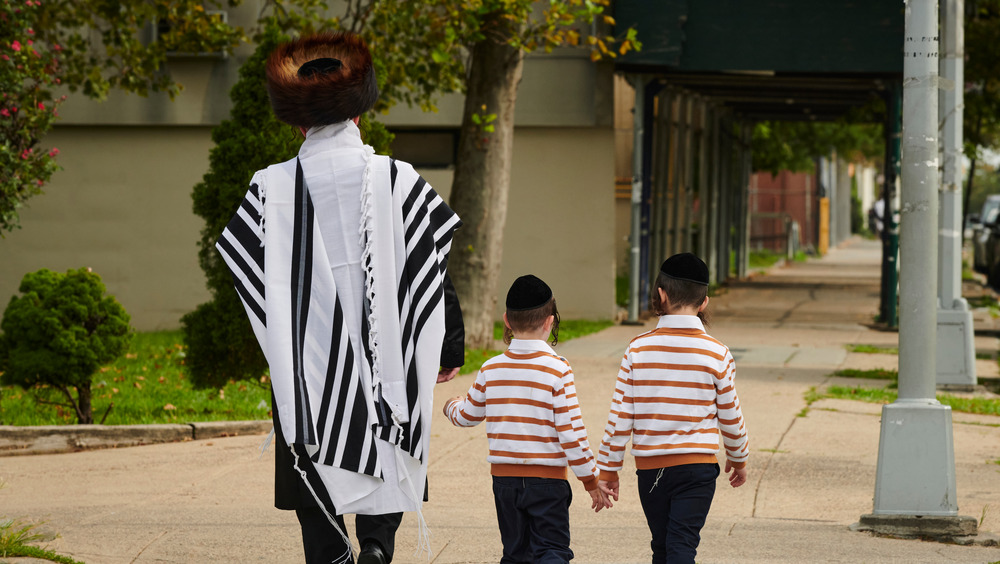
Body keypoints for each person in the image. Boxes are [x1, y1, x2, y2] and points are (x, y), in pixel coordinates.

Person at [216, 32, 464, 564]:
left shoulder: (269, 186)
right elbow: (432, 267)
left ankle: (330, 552)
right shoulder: (397, 178)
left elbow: (249, 277)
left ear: (299, 122)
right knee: (388, 428)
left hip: (309, 352)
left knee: (312, 430)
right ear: (358, 115)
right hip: (390, 344)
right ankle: (377, 542)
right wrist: (451, 343)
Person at [442, 275, 609, 564]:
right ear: (549, 322)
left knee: (515, 552)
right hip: (547, 481)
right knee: (552, 551)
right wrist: (591, 480)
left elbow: (468, 415)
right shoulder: (558, 370)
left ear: (506, 320)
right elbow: (571, 433)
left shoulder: (491, 368)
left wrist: (450, 406)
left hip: (504, 482)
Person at [596, 253, 748, 564]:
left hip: (651, 470)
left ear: (661, 295)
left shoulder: (637, 349)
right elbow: (731, 415)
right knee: (682, 546)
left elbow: (620, 417)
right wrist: (739, 456)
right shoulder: (718, 353)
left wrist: (609, 468)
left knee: (663, 546)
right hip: (698, 468)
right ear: (704, 302)